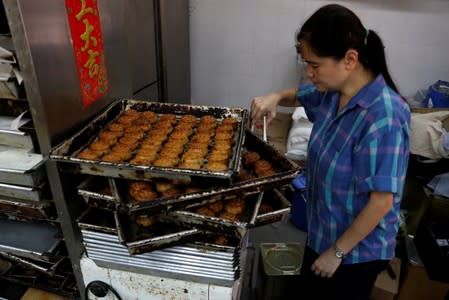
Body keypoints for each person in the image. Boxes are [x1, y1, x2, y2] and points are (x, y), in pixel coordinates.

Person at [250, 4, 410, 300]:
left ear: (350, 59)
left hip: (355, 252)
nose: (309, 74)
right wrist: (276, 97)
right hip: (322, 229)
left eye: (315, 65)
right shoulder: (333, 92)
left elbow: (381, 202)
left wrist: (336, 253)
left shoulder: (384, 116)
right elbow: (301, 94)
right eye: (306, 65)